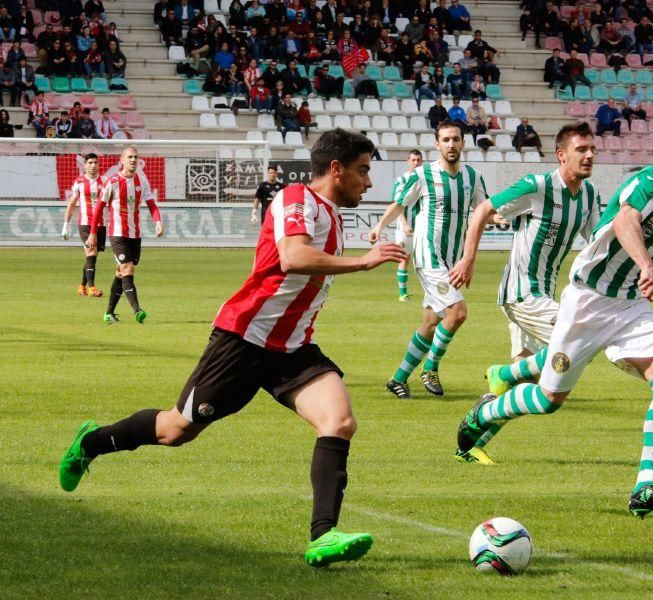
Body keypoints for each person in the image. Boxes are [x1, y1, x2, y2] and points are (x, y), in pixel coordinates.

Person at [58, 130, 406, 567]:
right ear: (335, 169)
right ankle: (90, 444)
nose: (368, 182)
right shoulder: (295, 198)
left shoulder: (332, 215)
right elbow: (293, 258)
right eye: (363, 170)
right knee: (174, 431)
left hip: (293, 347)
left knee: (339, 421)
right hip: (244, 338)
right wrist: (363, 260)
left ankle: (323, 537)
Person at [455, 131, 653, 518]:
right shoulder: (650, 181)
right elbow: (625, 220)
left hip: (630, 304)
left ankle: (644, 486)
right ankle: (485, 413)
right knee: (549, 400)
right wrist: (646, 265)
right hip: (588, 300)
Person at [448, 122, 601, 463]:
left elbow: (597, 245)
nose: (590, 156)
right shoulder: (538, 185)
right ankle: (501, 374)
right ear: (561, 155)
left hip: (544, 295)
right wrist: (468, 259)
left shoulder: (589, 196)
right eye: (582, 149)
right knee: (579, 341)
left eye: (592, 150)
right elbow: (483, 210)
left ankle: (470, 446)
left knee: (528, 378)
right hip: (521, 293)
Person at [368, 121, 489, 399]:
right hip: (429, 258)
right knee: (457, 313)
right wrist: (379, 227)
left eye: (455, 139)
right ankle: (430, 368)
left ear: (463, 143)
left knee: (430, 323)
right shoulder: (422, 175)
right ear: (437, 144)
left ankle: (398, 378)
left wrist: (503, 215)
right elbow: (399, 203)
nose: (451, 144)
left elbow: (483, 209)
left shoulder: (473, 176)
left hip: (452, 260)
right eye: (445, 139)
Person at [86, 147, 163, 323]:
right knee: (128, 268)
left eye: (136, 157)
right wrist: (93, 233)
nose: (133, 160)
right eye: (129, 157)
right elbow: (99, 208)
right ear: (121, 160)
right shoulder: (112, 182)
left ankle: (109, 313)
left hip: (135, 234)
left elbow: (152, 205)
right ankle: (138, 310)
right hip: (117, 233)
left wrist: (158, 222)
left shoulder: (142, 181)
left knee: (121, 273)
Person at [63, 153, 108, 297]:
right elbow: (72, 203)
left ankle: (82, 286)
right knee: (91, 253)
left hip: (101, 224)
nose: (93, 165)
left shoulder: (105, 181)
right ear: (85, 165)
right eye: (90, 162)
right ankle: (92, 288)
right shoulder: (79, 182)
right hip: (85, 224)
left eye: (95, 162)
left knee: (92, 257)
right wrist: (66, 224)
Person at [390, 149, 424, 302]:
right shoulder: (401, 181)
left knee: (425, 261)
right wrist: (404, 224)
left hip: (423, 227)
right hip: (406, 229)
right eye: (413, 160)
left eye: (418, 160)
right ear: (408, 161)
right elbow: (397, 205)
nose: (416, 163)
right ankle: (402, 293)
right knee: (405, 259)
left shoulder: (424, 179)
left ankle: (432, 293)